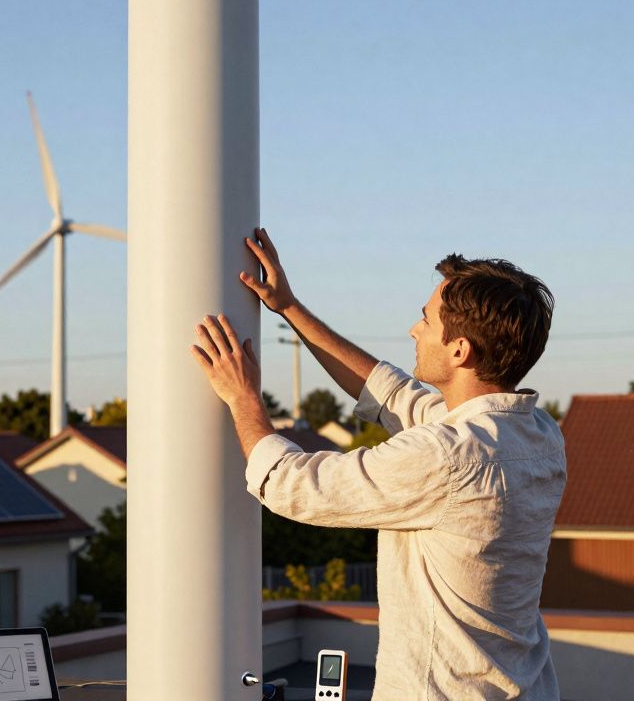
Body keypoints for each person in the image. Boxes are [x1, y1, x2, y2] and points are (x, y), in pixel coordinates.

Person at [189, 228, 565, 700]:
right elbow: (393, 396)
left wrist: (243, 398)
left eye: (426, 320)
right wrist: (289, 307)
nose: (414, 329)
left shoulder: (448, 456)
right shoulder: (538, 434)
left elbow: (290, 485)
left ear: (460, 350)